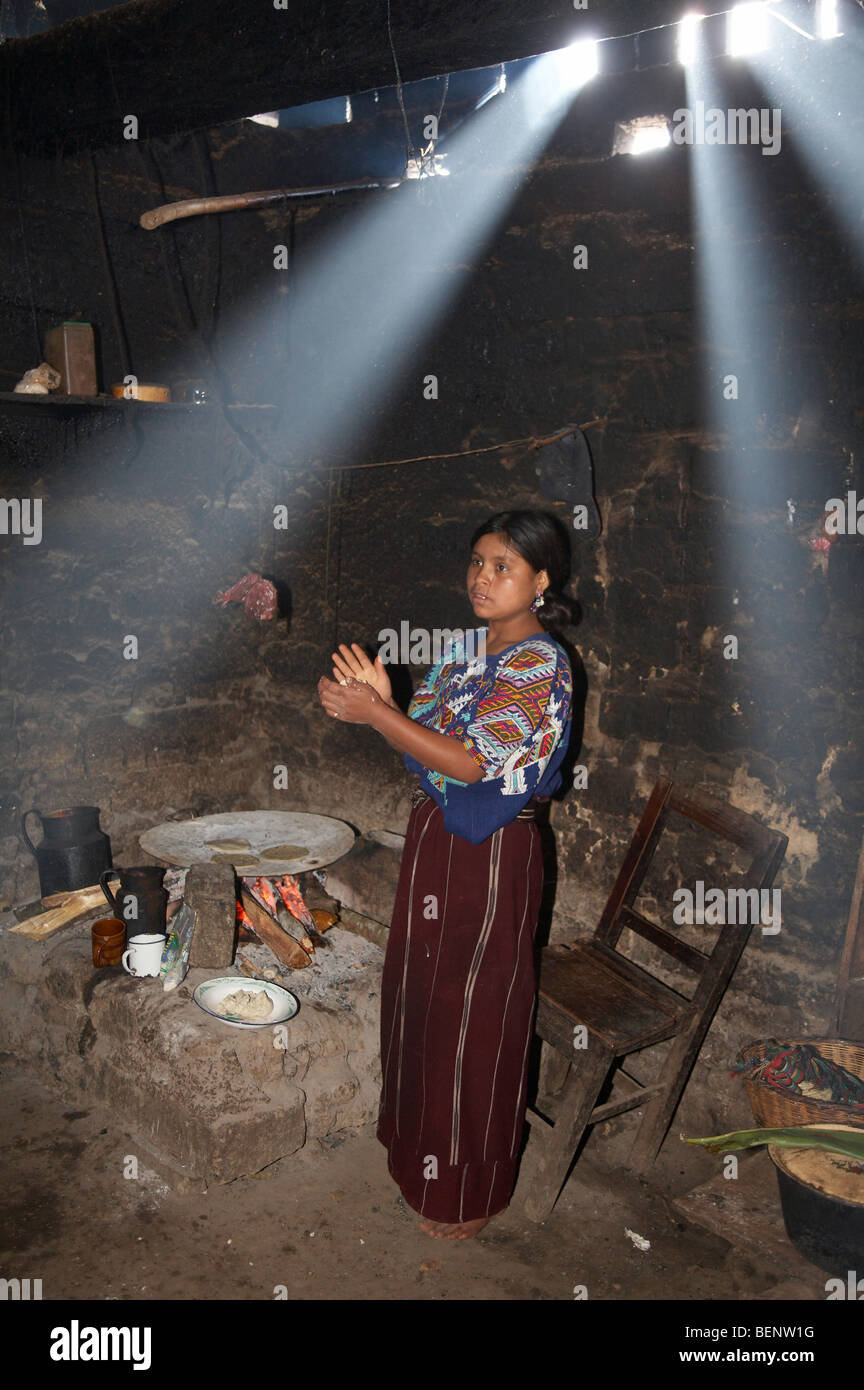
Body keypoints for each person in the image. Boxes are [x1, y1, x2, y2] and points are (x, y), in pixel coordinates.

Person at [316, 509, 584, 1239]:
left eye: (503, 566)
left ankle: (467, 1195)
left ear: (541, 580)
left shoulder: (540, 662)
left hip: (492, 856)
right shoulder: (465, 648)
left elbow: (473, 764)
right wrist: (388, 705)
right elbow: (428, 750)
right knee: (422, 999)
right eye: (477, 562)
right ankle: (416, 1158)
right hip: (438, 839)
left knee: (476, 1017)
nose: (483, 578)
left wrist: (377, 714)